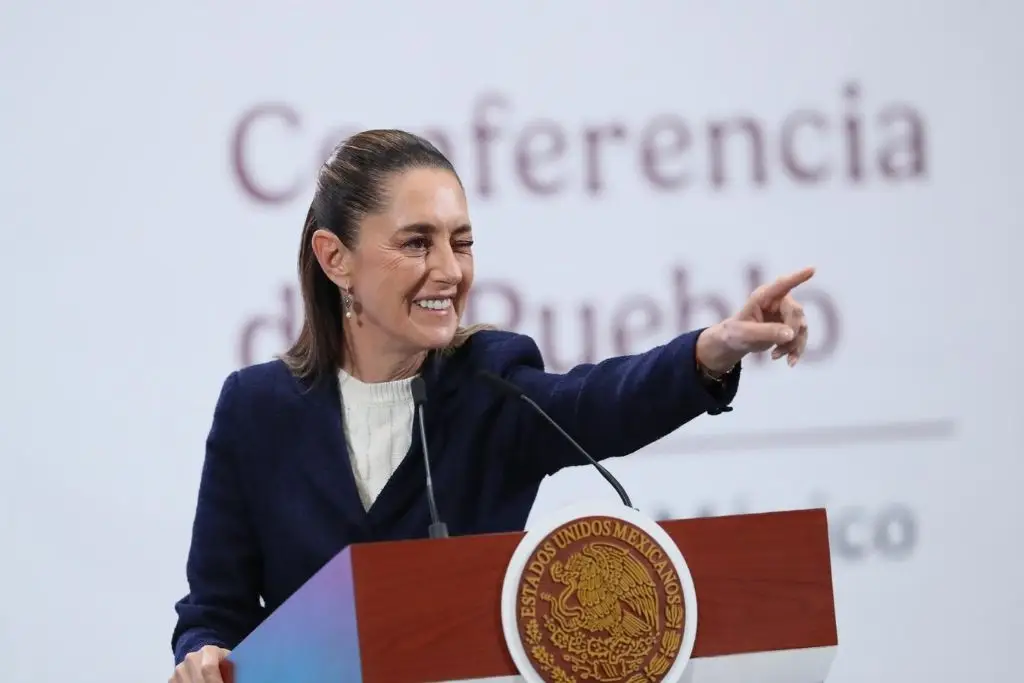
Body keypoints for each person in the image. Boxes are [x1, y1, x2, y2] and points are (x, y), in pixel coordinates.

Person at [168, 129, 813, 683]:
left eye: (462, 242)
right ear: (336, 258)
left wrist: (711, 351)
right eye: (417, 243)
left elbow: (599, 402)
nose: (450, 270)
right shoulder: (257, 410)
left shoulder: (488, 387)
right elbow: (214, 611)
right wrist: (204, 654)